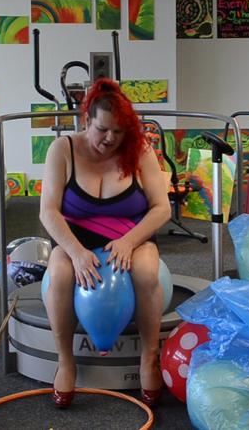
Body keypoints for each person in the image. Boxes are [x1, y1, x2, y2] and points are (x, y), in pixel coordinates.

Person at [39, 78, 171, 408]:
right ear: (87, 122)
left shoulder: (139, 150)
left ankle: (148, 357)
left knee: (145, 273)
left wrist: (128, 242)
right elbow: (48, 212)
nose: (110, 139)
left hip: (132, 235)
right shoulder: (63, 149)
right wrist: (76, 252)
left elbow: (161, 208)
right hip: (76, 239)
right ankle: (65, 361)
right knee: (60, 273)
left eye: (118, 132)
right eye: (102, 130)